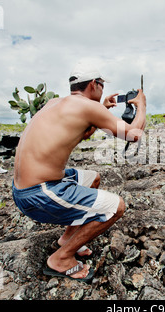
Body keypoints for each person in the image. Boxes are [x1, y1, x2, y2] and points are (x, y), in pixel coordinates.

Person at [12, 63, 147, 282]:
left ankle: (67, 238)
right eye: (102, 85)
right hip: (39, 194)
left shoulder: (54, 103)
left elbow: (82, 132)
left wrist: (102, 108)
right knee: (116, 207)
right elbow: (134, 134)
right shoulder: (87, 108)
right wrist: (141, 105)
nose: (102, 89)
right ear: (94, 84)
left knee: (93, 177)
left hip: (23, 189)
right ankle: (61, 259)